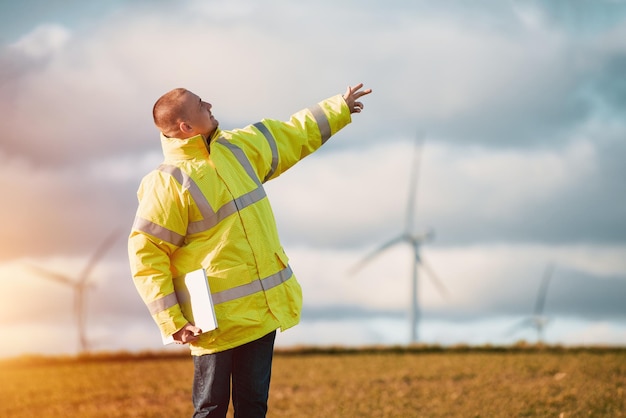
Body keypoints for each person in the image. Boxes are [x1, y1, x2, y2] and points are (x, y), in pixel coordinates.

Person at [128, 82, 372, 417]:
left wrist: (338, 107)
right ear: (185, 127)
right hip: (213, 325)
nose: (209, 104)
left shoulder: (237, 148)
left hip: (260, 313)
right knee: (211, 410)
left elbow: (290, 135)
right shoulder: (167, 182)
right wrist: (172, 321)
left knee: (253, 408)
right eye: (201, 105)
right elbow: (146, 254)